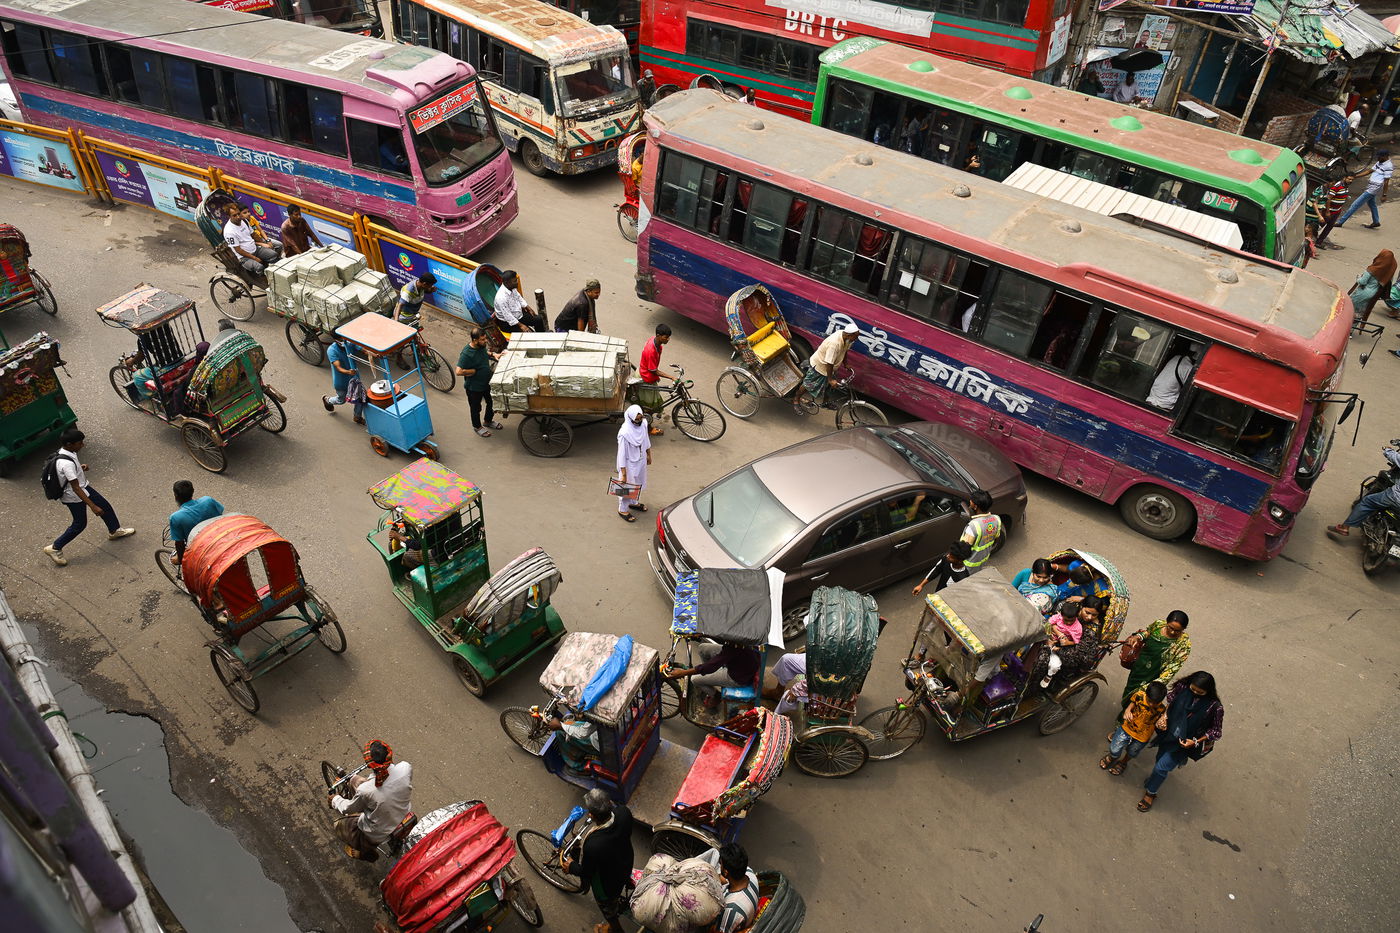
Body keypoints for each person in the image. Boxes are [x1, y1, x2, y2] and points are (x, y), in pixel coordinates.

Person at [43, 429, 135, 567]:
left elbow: (70, 475)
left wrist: (79, 468)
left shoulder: (67, 452)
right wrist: (93, 506)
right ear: (69, 444)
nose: (83, 445)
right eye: (80, 443)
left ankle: (114, 530)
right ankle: (55, 548)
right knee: (80, 524)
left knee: (106, 507)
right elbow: (76, 488)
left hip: (83, 488)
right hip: (75, 496)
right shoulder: (66, 463)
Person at [1137, 671, 1223, 812]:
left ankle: (1151, 793)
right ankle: (1156, 778)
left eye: (1199, 692)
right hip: (1168, 734)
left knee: (1160, 768)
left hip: (1184, 745)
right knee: (1159, 760)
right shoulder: (1183, 687)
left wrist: (1195, 741)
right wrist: (1164, 716)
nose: (1194, 693)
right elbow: (1171, 700)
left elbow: (1216, 732)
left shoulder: (1215, 707)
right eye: (1193, 689)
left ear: (1207, 691)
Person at [562, 789, 635, 933]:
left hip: (607, 885)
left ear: (591, 815)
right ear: (610, 804)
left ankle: (615, 929)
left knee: (608, 909)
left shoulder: (594, 845)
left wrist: (571, 866)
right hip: (625, 862)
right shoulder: (624, 813)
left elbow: (587, 872)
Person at [329, 740, 412, 862]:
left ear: (370, 764)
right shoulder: (406, 768)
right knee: (354, 780)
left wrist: (335, 800)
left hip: (377, 831)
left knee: (339, 826)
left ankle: (365, 852)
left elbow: (348, 808)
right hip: (402, 813)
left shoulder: (366, 790)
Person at [1120, 610, 1192, 711]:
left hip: (1154, 675)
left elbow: (1173, 668)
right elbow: (1147, 632)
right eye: (1170, 628)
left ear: (1184, 629)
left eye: (1177, 631)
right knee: (1130, 690)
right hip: (1139, 666)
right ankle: (1124, 712)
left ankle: (1128, 722)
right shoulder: (1158, 624)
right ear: (1166, 622)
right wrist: (1138, 637)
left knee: (1143, 700)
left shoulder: (1184, 645)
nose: (1172, 632)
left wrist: (1156, 685)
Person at [1326, 444, 1400, 539]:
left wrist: (1387, 450)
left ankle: (1345, 527)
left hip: (1395, 497)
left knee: (1367, 502)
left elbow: (1394, 457)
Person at [1100, 680, 1167, 775]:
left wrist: (1162, 724)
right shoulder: (1139, 695)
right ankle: (1112, 757)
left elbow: (1159, 722)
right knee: (1114, 748)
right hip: (1127, 728)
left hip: (1142, 736)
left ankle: (1123, 762)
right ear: (1146, 694)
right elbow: (1131, 704)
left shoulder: (1161, 709)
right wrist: (1127, 711)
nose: (1151, 704)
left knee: (1132, 752)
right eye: (1149, 701)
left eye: (1155, 703)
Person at [665, 641, 761, 707]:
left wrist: (683, 673)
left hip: (738, 676)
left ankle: (716, 696)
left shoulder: (734, 647)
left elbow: (710, 667)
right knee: (703, 648)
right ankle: (707, 678)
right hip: (741, 660)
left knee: (694, 679)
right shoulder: (740, 638)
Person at [792, 322, 859, 410]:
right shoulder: (834, 344)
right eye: (856, 336)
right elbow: (829, 363)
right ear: (849, 335)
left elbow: (845, 350)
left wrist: (845, 364)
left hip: (831, 368)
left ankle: (825, 403)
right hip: (820, 366)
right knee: (808, 385)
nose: (856, 339)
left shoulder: (847, 339)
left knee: (830, 387)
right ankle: (796, 399)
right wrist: (830, 379)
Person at [456, 326, 503, 438]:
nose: (485, 341)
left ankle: (488, 421)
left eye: (485, 338)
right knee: (475, 408)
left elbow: (484, 352)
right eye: (482, 339)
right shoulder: (466, 353)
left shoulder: (481, 346)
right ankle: (477, 427)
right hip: (474, 387)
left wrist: (493, 355)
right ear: (475, 340)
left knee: (492, 402)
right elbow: (458, 371)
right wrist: (471, 371)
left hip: (487, 382)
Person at [701, 844, 760, 933]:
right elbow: (724, 878)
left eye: (721, 864)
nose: (720, 865)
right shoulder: (750, 874)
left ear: (726, 871)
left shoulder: (730, 910)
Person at [167, 480, 224, 566]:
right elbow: (220, 513)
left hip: (200, 548)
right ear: (193, 491)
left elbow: (179, 543)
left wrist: (180, 559)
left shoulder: (176, 517)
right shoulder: (208, 500)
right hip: (219, 537)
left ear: (176, 496)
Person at [1332, 150, 1392, 230]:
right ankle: (1376, 221)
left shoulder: (1388, 166)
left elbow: (1386, 181)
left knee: (1355, 205)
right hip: (1371, 186)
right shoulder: (1380, 162)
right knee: (1372, 204)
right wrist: (1355, 176)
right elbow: (1369, 171)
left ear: (1385, 156)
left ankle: (1340, 222)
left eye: (1379, 156)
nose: (1378, 158)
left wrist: (1384, 195)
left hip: (1373, 188)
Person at [222, 203, 282, 275]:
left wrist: (265, 243)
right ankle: (265, 281)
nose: (238, 217)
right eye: (234, 215)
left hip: (255, 249)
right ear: (229, 216)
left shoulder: (244, 221)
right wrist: (254, 258)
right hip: (244, 257)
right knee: (259, 267)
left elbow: (253, 234)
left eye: (238, 214)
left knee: (274, 255)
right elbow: (238, 250)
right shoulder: (229, 231)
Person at [615, 405, 652, 522]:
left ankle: (633, 502)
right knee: (627, 487)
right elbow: (621, 455)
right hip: (629, 464)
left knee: (639, 483)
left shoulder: (644, 424)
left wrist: (648, 454)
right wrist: (624, 474)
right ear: (630, 418)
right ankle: (622, 509)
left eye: (640, 418)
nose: (639, 421)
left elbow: (646, 439)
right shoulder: (624, 433)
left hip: (640, 460)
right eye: (636, 420)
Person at [637, 323, 673, 434]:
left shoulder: (656, 342)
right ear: (658, 335)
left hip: (648, 374)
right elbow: (653, 370)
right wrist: (671, 377)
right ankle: (648, 429)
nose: (668, 339)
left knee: (651, 404)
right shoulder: (651, 350)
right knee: (648, 407)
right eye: (666, 337)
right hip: (645, 377)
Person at [322, 337, 365, 424]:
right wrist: (348, 372)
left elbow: (364, 350)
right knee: (341, 400)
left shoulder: (350, 343)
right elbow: (338, 367)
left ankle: (357, 416)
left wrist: (376, 354)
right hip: (341, 381)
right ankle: (327, 400)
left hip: (355, 378)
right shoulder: (332, 350)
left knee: (360, 397)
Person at [1039, 607, 1083, 688]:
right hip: (1048, 639)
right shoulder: (1057, 617)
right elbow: (1048, 624)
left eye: (1071, 621)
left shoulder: (1078, 628)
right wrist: (1049, 636)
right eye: (1066, 620)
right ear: (1061, 615)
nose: (1068, 623)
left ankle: (1049, 676)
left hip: (1060, 647)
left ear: (1076, 617)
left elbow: (1075, 642)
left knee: (1055, 665)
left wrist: (1066, 642)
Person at [1347, 250, 1396, 323]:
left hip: (1361, 293)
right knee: (1359, 313)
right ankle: (1351, 330)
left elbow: (1362, 281)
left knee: (1349, 309)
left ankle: (1344, 327)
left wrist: (1358, 277)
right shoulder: (1388, 273)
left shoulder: (1372, 269)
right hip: (1372, 294)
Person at [1145, 346, 1197, 412]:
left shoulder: (1176, 357)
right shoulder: (1188, 368)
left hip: (1151, 398)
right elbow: (1188, 391)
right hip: (1164, 405)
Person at [959, 489, 1001, 570]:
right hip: (983, 562)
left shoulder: (973, 526)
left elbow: (963, 550)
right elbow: (996, 539)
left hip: (967, 567)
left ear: (975, 506)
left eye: (971, 502)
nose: (969, 503)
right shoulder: (997, 519)